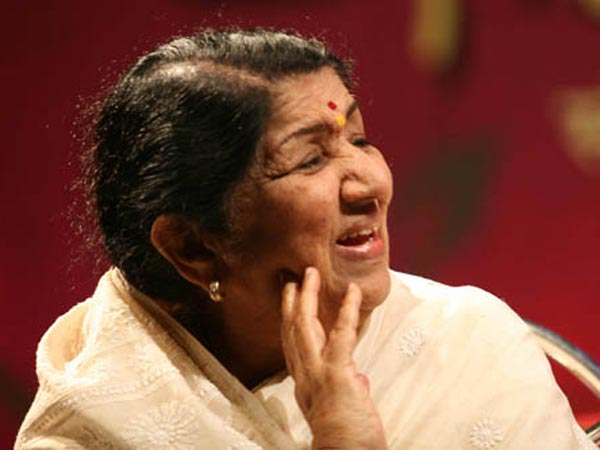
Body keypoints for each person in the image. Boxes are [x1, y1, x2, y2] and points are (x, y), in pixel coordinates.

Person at [15, 28, 596, 449]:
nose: (371, 184)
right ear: (193, 248)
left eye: (360, 140)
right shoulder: (96, 425)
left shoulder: (469, 346)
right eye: (310, 159)